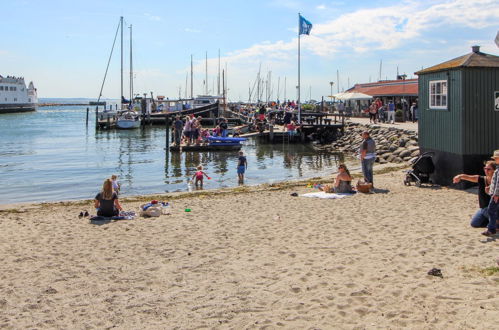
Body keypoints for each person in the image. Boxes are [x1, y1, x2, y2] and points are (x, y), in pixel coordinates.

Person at [453, 161, 496, 228]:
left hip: (494, 208)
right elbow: (469, 177)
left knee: (488, 212)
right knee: (475, 223)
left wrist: (490, 192)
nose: (486, 171)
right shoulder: (481, 179)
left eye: (489, 169)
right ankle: (492, 222)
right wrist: (460, 176)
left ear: (494, 171)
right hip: (483, 208)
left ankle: (494, 222)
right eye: (485, 168)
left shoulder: (497, 182)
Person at [483, 150, 499, 236]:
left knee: (491, 210)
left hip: (496, 195)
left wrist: (496, 194)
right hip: (495, 193)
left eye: (496, 158)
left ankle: (491, 229)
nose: (495, 160)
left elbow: (498, 183)